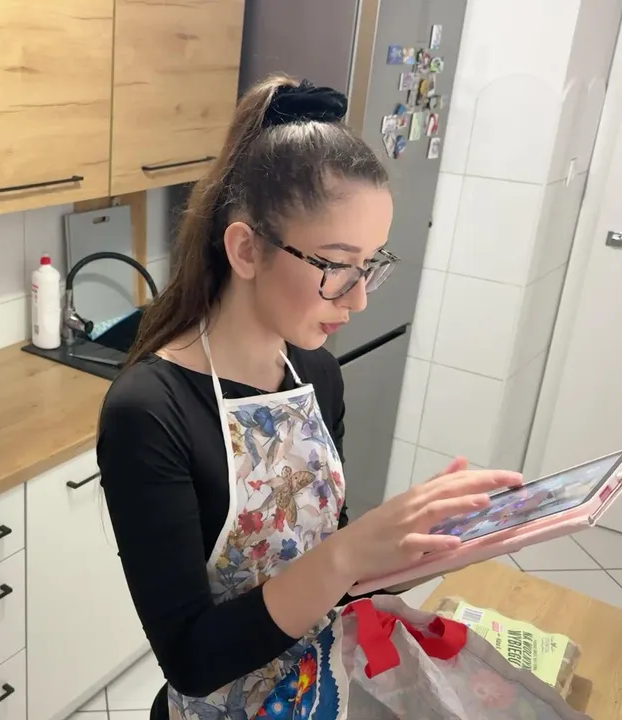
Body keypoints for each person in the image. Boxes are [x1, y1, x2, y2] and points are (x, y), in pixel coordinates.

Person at [96, 75, 523, 719]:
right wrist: (350, 551)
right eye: (335, 265)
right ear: (245, 249)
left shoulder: (316, 374)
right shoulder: (150, 412)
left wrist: (422, 548)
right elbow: (191, 658)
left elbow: (328, 578)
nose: (359, 298)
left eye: (370, 264)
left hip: (320, 694)